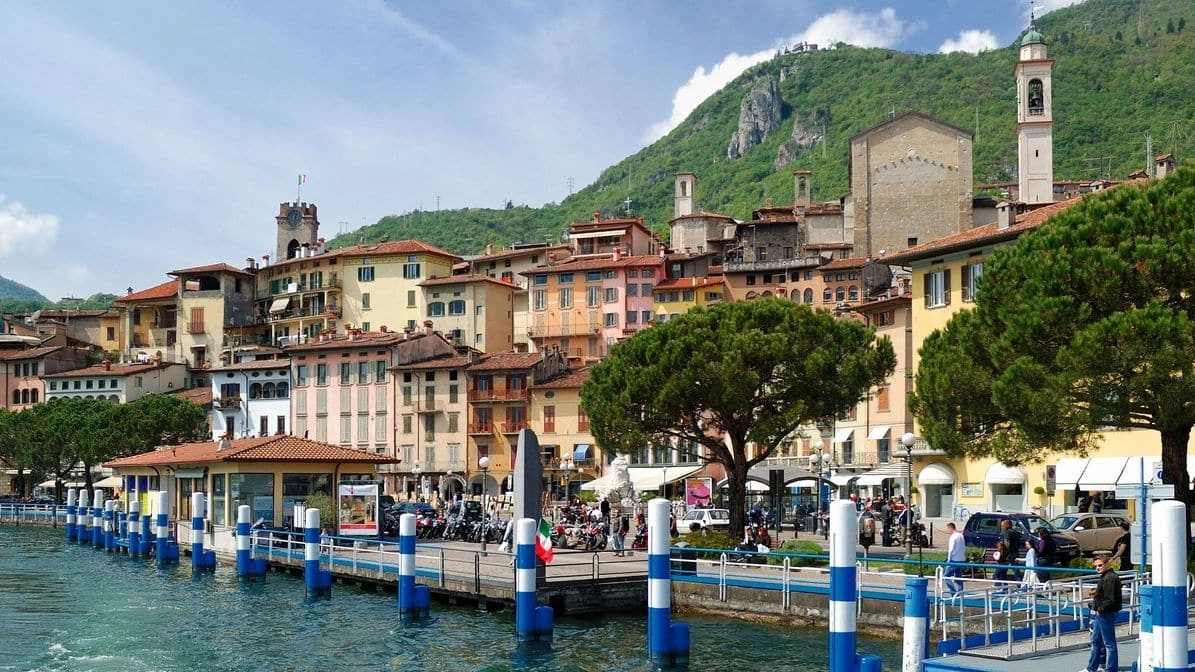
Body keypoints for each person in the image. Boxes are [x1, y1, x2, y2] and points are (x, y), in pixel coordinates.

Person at [1083, 555, 1122, 672]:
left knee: (1109, 643)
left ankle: (1111, 669)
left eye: (1100, 565)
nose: (1098, 568)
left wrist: (1100, 609)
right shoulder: (1106, 577)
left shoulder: (1109, 578)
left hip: (1106, 613)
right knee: (1095, 641)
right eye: (1096, 566)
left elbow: (1111, 599)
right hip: (1102, 613)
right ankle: (1092, 668)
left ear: (1107, 564)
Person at [993, 519, 1022, 584]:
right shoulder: (1016, 533)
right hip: (1015, 554)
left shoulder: (1007, 533)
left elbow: (1007, 544)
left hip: (1008, 556)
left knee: (999, 572)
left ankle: (1000, 586)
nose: (1001, 527)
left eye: (1002, 525)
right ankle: (1020, 586)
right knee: (1016, 572)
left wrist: (1001, 546)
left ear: (1007, 525)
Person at [944, 522, 966, 595]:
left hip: (954, 560)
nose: (947, 531)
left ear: (950, 528)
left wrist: (948, 560)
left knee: (946, 576)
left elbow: (950, 550)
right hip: (961, 559)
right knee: (959, 577)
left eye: (947, 529)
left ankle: (953, 592)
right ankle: (960, 591)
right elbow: (963, 547)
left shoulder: (953, 537)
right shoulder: (961, 535)